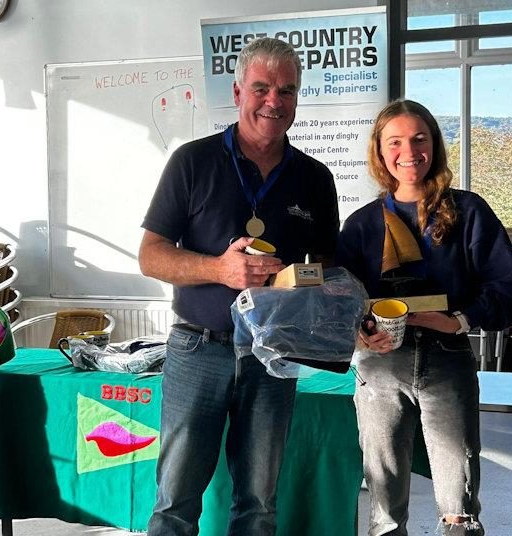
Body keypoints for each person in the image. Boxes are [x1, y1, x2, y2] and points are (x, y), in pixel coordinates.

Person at [140, 37, 339, 536]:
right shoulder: (192, 161)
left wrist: (310, 289)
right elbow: (150, 256)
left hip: (274, 357)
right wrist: (219, 270)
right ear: (237, 91)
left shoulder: (316, 179)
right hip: (197, 349)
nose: (274, 101)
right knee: (175, 503)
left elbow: (327, 272)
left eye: (287, 90)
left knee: (258, 505)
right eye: (262, 87)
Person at [336, 99, 512, 536]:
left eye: (419, 139)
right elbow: (340, 300)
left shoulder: (469, 212)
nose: (409, 151)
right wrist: (359, 333)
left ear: (434, 145)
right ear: (380, 152)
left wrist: (459, 319)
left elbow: (510, 292)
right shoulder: (362, 225)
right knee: (383, 508)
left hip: (447, 360)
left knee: (458, 504)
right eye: (395, 141)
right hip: (380, 367)